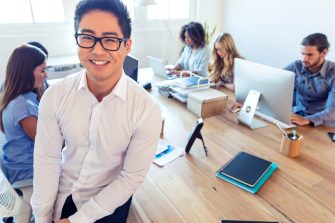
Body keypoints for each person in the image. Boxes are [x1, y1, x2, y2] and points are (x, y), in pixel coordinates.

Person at [31, 1, 162, 223]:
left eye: (110, 39)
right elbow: (47, 159)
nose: (97, 49)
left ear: (127, 45)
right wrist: (42, 217)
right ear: (77, 40)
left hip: (108, 199)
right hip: (61, 192)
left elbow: (129, 179)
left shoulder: (146, 110)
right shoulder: (55, 96)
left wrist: (77, 220)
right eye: (87, 37)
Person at [0, 44, 47, 184]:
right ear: (27, 72)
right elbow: (47, 143)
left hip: (20, 166)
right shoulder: (22, 106)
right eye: (42, 70)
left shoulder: (21, 98)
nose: (46, 75)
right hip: (27, 173)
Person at [284, 33, 335, 127]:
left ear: (324, 53)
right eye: (302, 54)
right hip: (296, 117)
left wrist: (307, 120)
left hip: (322, 124)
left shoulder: (332, 73)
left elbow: (332, 111)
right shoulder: (296, 65)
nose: (304, 59)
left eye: (309, 55)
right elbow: (275, 80)